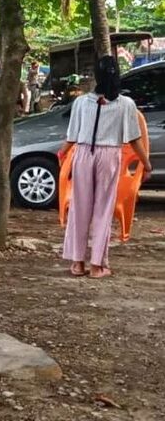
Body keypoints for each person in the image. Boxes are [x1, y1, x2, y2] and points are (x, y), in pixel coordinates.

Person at [58, 56, 152, 279]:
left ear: (96, 77)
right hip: (109, 156)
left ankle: (77, 263)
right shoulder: (125, 104)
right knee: (103, 209)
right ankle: (97, 266)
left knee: (79, 208)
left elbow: (71, 137)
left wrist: (62, 155)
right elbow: (134, 139)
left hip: (82, 154)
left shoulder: (81, 102)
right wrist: (146, 164)